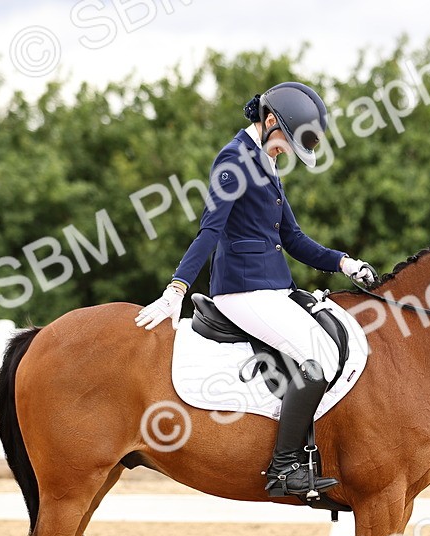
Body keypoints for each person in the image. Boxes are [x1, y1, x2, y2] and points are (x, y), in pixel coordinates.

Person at [135, 81, 376, 499]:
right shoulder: (233, 163)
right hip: (242, 292)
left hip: (272, 288)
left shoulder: (265, 162)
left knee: (327, 348)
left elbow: (294, 238)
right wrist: (176, 288)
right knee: (316, 357)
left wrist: (343, 262)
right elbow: (209, 232)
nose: (285, 153)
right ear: (268, 123)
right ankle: (284, 468)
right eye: (285, 143)